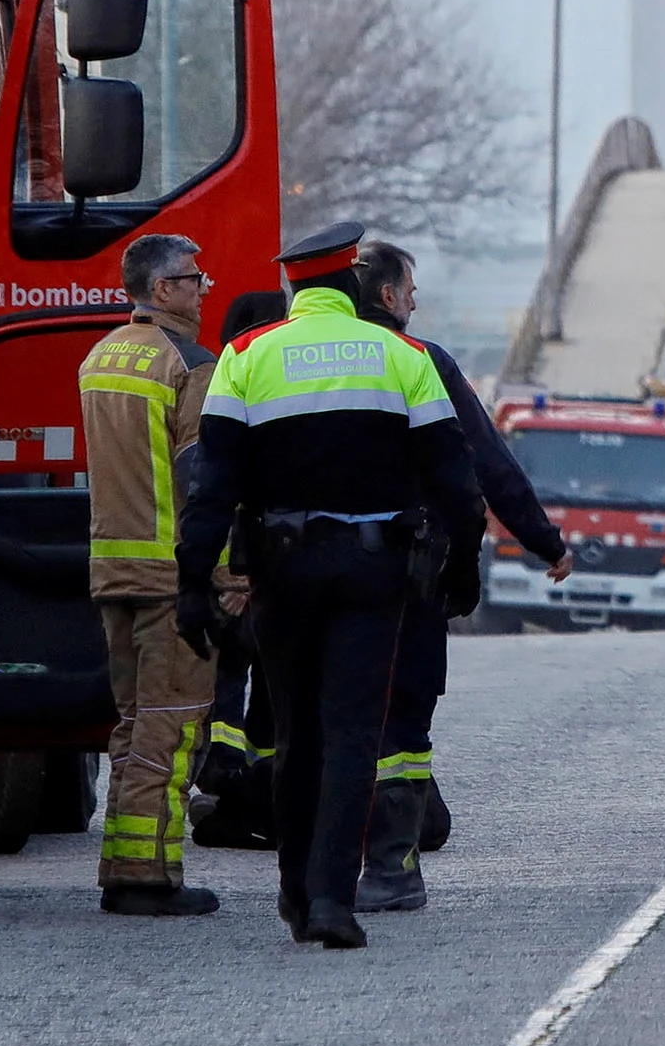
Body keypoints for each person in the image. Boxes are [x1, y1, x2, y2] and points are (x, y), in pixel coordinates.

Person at [171, 222, 482, 948]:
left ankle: (296, 891)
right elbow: (454, 476)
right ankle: (334, 902)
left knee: (294, 730)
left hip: (282, 573)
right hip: (376, 575)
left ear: (294, 289)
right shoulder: (404, 356)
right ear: (350, 285)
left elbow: (212, 487)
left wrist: (194, 585)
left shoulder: (246, 356)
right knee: (351, 734)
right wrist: (461, 565)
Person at [349, 240, 567, 911]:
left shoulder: (271, 357)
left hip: (302, 573)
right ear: (388, 296)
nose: (415, 300)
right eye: (409, 289)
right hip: (404, 570)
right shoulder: (420, 362)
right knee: (403, 721)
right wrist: (541, 541)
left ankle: (320, 871)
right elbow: (480, 466)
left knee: (326, 715)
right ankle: (393, 866)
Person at [77, 232, 220, 917]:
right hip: (170, 574)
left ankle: (126, 863)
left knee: (134, 725)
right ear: (162, 289)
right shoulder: (190, 363)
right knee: (172, 726)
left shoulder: (101, 355)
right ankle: (144, 876)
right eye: (195, 279)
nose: (202, 289)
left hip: (113, 570)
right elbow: (203, 481)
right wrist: (230, 577)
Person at [187, 287, 288, 846]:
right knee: (256, 682)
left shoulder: (221, 379)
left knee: (229, 677)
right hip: (250, 570)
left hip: (232, 568)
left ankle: (234, 780)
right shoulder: (250, 384)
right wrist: (235, 576)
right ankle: (247, 784)